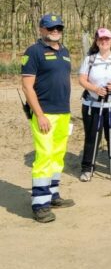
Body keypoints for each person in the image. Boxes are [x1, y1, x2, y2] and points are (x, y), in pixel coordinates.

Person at [21, 14, 75, 223]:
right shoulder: (33, 51)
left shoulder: (65, 52)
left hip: (63, 113)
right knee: (44, 156)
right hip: (45, 114)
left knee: (57, 156)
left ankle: (52, 195)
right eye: (51, 28)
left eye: (58, 28)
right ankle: (40, 205)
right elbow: (27, 87)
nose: (55, 31)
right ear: (41, 29)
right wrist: (39, 114)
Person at [78, 28, 111, 181]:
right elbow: (82, 79)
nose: (104, 41)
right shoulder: (90, 59)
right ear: (96, 42)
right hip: (92, 105)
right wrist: (95, 89)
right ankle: (87, 168)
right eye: (101, 39)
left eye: (107, 39)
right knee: (92, 136)